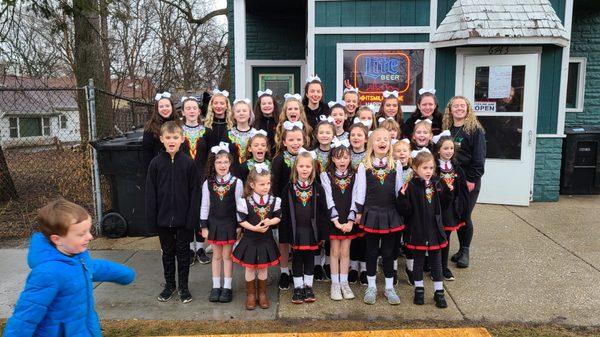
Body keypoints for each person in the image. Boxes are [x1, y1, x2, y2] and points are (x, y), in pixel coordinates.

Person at [3, 199, 135, 337]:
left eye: (88, 231)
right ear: (57, 239)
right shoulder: (47, 273)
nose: (90, 237)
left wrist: (123, 273)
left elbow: (93, 267)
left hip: (83, 328)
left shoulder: (77, 256)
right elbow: (25, 317)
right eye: (81, 234)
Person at [146, 121, 201, 304]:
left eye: (175, 137)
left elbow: (195, 193)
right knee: (167, 253)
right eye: (168, 137)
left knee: (183, 253)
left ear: (182, 139)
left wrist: (192, 218)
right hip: (163, 220)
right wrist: (153, 219)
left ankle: (184, 287)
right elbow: (150, 193)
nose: (171, 141)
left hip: (184, 219)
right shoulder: (155, 164)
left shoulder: (188, 163)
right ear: (161, 139)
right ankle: (170, 285)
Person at [354, 128, 404, 305]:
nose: (382, 142)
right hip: (372, 213)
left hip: (391, 213)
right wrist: (358, 212)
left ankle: (389, 288)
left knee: (390, 252)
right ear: (371, 143)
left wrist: (403, 208)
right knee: (371, 251)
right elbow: (360, 191)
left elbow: (399, 189)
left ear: (390, 143)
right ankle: (372, 286)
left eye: (385, 139)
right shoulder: (364, 165)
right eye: (378, 139)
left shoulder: (395, 165)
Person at [397, 149, 451, 309]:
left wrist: (447, 191)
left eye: (431, 168)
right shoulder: (411, 186)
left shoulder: (437, 184)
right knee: (418, 261)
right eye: (424, 168)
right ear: (416, 168)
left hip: (434, 229)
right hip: (417, 230)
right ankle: (419, 290)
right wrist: (402, 196)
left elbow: (445, 203)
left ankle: (439, 292)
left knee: (436, 261)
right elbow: (405, 211)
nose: (428, 171)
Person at [279, 150, 328, 304]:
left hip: (311, 231)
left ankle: (308, 286)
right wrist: (285, 234)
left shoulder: (318, 188)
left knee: (310, 258)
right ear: (296, 168)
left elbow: (323, 212)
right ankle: (298, 287)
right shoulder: (288, 188)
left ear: (313, 169)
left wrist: (322, 232)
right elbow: (285, 213)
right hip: (296, 231)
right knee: (298, 258)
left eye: (308, 166)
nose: (305, 169)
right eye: (301, 166)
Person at [442, 96, 486, 268]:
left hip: (468, 180)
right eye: (455, 106)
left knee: (465, 215)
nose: (459, 109)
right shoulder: (448, 128)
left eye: (462, 106)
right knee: (452, 213)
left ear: (467, 109)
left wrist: (472, 179)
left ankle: (465, 250)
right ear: (450, 110)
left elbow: (479, 158)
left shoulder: (475, 130)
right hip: (449, 178)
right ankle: (453, 251)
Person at [233, 163, 281, 310]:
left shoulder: (274, 200)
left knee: (263, 268)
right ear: (252, 184)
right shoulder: (245, 201)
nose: (266, 186)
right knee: (250, 268)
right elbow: (241, 220)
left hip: (266, 241)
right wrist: (254, 228)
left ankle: (262, 294)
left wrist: (270, 221)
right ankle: (251, 295)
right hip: (250, 240)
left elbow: (279, 217)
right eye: (262, 184)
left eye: (268, 183)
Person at [200, 142, 243, 303]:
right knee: (216, 256)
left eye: (225, 162)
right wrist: (203, 225)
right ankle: (216, 286)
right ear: (213, 164)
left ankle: (227, 287)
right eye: (218, 162)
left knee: (227, 256)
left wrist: (240, 225)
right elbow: (205, 204)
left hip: (230, 224)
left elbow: (240, 205)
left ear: (230, 163)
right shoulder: (208, 183)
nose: (222, 165)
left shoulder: (236, 182)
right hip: (214, 224)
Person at [320, 140, 358, 301]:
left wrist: (350, 220)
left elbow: (356, 196)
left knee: (345, 251)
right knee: (334, 252)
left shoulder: (355, 175)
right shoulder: (326, 175)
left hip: (349, 219)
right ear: (332, 159)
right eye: (338, 157)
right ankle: (335, 284)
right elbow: (328, 198)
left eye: (345, 157)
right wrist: (336, 221)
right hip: (334, 219)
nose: (342, 161)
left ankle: (344, 282)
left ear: (350, 158)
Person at [271, 121, 305, 290]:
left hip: (302, 207)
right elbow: (274, 186)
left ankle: (299, 270)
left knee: (299, 239)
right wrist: (276, 209)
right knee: (284, 241)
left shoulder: (307, 159)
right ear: (284, 142)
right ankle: (284, 271)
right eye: (291, 140)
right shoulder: (278, 160)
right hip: (284, 208)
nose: (295, 143)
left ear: (303, 140)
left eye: (298, 139)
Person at [179, 96, 212, 265]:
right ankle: (190, 248)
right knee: (186, 211)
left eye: (194, 108)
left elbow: (210, 156)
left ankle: (200, 247)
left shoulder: (207, 131)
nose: (191, 111)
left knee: (201, 211)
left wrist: (208, 175)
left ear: (199, 111)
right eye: (188, 108)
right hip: (183, 178)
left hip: (202, 178)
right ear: (183, 112)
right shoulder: (178, 132)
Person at [434, 132, 469, 281]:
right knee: (434, 238)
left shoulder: (456, 167)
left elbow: (462, 189)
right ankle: (433, 266)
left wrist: (462, 207)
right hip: (436, 208)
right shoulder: (434, 167)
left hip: (450, 210)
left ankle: (443, 267)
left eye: (451, 148)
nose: (449, 151)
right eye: (445, 148)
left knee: (446, 238)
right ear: (438, 150)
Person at [347, 122, 369, 283]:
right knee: (353, 235)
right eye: (353, 135)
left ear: (366, 139)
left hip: (367, 200)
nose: (356, 138)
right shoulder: (345, 154)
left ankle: (365, 267)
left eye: (359, 135)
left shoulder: (369, 156)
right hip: (348, 199)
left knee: (365, 236)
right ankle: (353, 266)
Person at [143, 91, 181, 170]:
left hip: (179, 167)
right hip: (159, 169)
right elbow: (147, 153)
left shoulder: (180, 124)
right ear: (157, 109)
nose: (165, 109)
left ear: (172, 107)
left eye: (167, 106)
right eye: (161, 106)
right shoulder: (150, 127)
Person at [225, 98, 257, 175]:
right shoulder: (228, 134)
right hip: (232, 175)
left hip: (252, 175)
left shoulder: (256, 134)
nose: (241, 113)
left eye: (244, 111)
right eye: (238, 111)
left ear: (249, 114)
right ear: (234, 115)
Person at [253, 89, 279, 157]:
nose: (267, 106)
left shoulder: (280, 123)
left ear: (274, 105)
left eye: (269, 103)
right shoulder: (254, 124)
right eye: (264, 104)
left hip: (276, 158)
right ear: (259, 106)